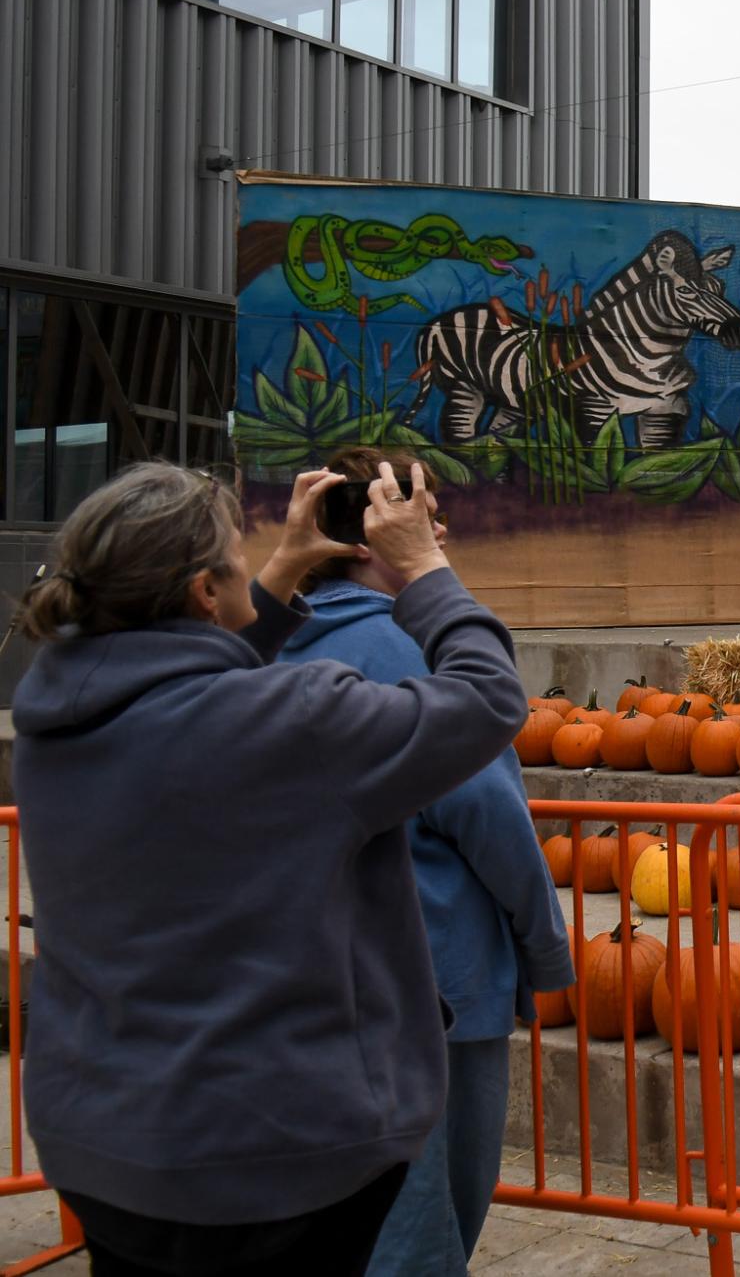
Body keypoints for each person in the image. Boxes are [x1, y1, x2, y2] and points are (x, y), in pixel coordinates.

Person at [11, 460, 523, 1276]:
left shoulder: (55, 717)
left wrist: (282, 571)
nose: (254, 560)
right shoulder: (296, 721)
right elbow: (488, 700)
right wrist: (427, 566)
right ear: (204, 593)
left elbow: (184, 685)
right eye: (237, 554)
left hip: (105, 1147)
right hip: (268, 1159)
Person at [279, 446, 571, 1274]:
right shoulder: (410, 652)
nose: (439, 528)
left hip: (308, 983)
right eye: (422, 513)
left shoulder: (263, 647)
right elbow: (486, 811)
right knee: (423, 1222)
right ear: (374, 533)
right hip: (436, 986)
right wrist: (541, 947)